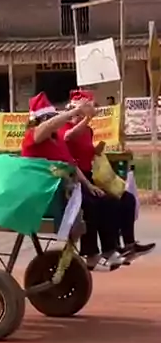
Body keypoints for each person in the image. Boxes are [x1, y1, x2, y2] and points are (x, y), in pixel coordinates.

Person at [21, 92, 127, 271]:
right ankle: (91, 255)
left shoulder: (56, 140)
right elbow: (48, 127)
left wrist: (89, 185)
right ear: (41, 119)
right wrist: (75, 111)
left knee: (106, 200)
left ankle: (109, 250)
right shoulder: (33, 136)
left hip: (66, 187)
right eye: (50, 117)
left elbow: (71, 164)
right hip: (45, 193)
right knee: (90, 205)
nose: (55, 121)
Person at [61, 89, 154, 264]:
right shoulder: (64, 127)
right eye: (81, 111)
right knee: (99, 204)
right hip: (73, 179)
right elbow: (68, 138)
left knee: (126, 199)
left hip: (90, 176)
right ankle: (98, 252)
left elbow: (85, 150)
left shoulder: (88, 130)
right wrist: (86, 118)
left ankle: (127, 244)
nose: (82, 116)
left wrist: (96, 151)